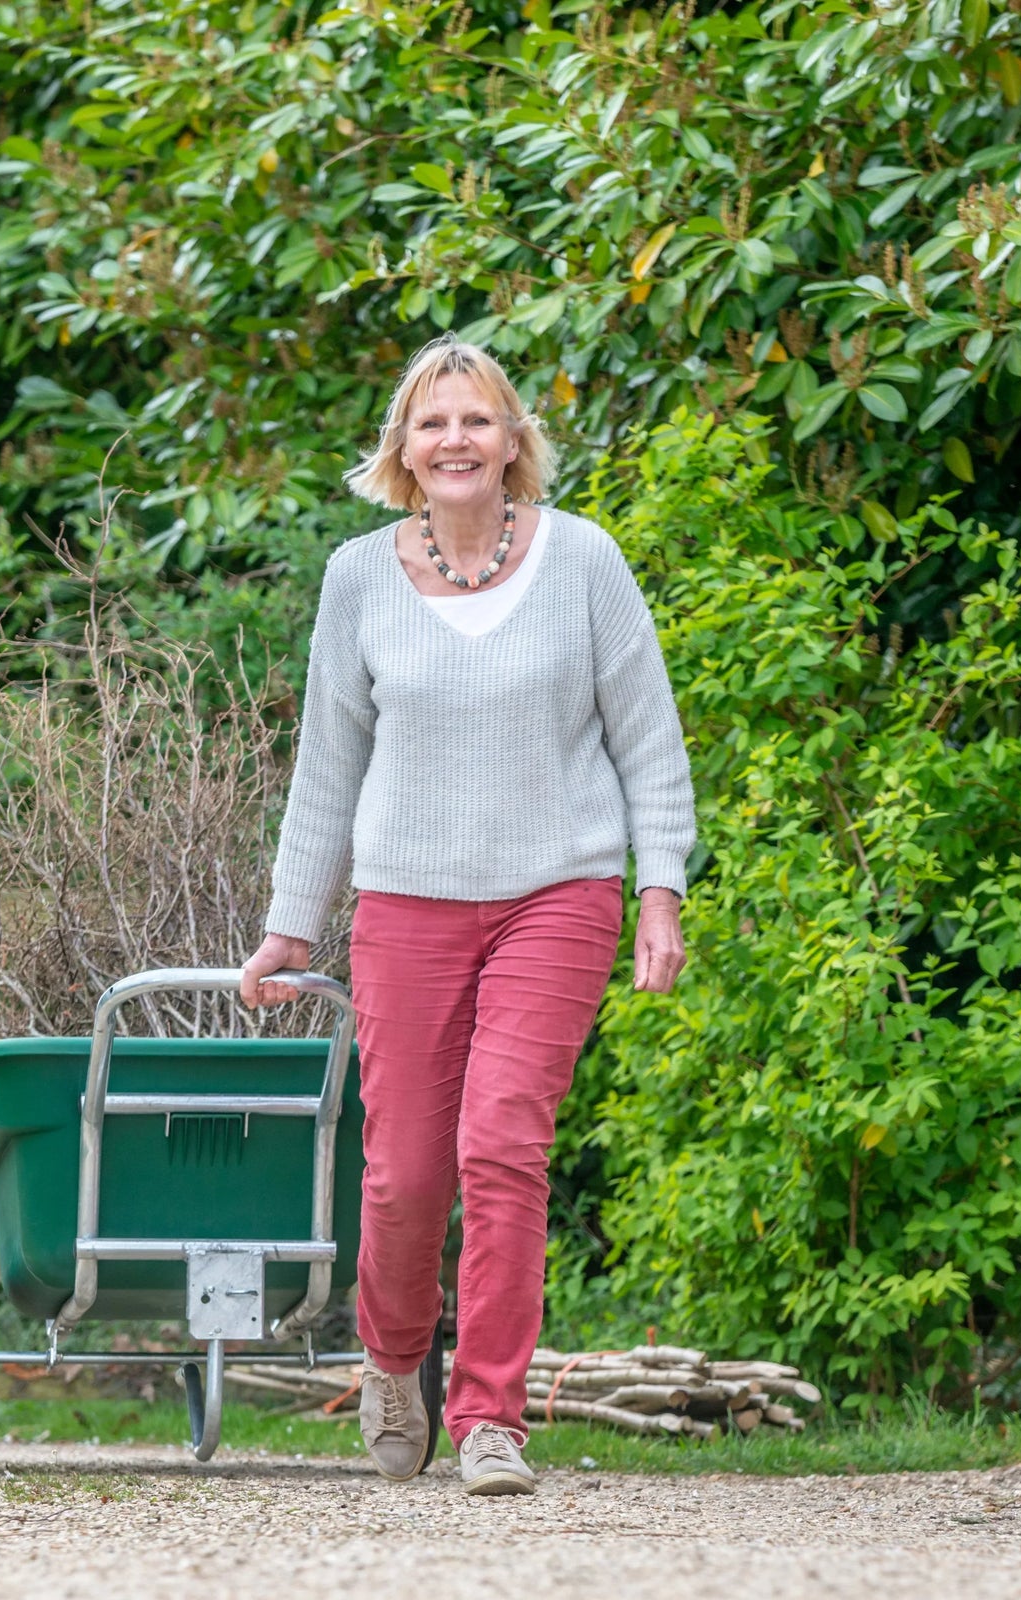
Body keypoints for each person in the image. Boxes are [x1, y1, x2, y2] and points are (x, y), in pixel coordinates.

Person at [240, 334, 694, 1496]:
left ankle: (491, 1415)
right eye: (433, 422)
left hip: (559, 890)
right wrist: (292, 922)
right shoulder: (357, 577)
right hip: (406, 902)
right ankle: (394, 1359)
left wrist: (660, 888)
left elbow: (648, 736)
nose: (455, 440)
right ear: (403, 446)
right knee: (400, 1175)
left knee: (502, 1146)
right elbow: (327, 764)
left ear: (512, 443)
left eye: (477, 420)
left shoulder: (584, 561)